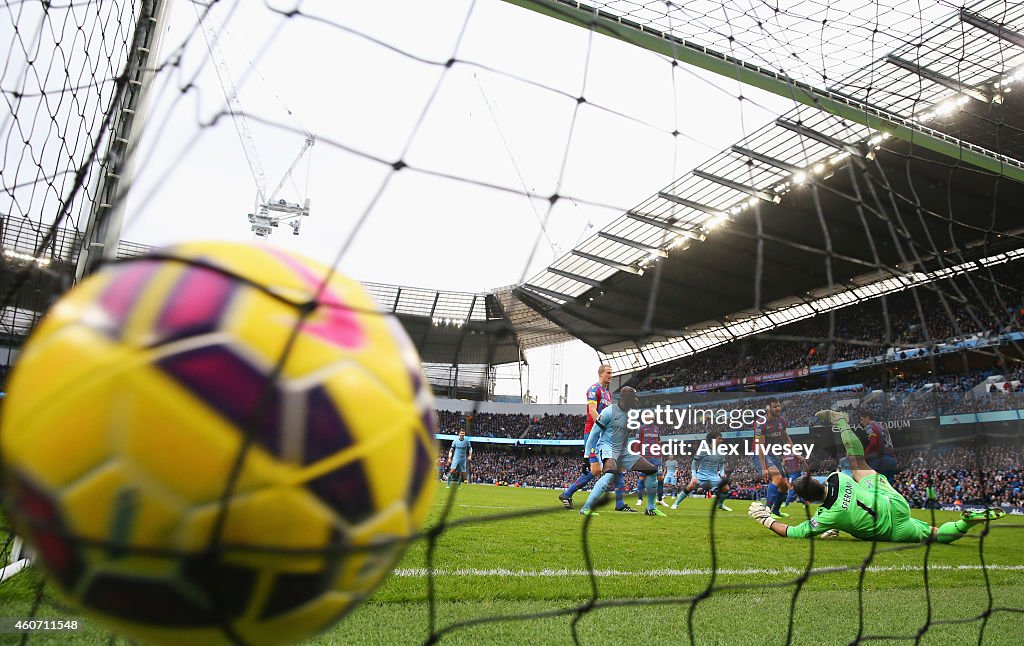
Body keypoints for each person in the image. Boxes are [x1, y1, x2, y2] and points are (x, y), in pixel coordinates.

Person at [747, 410, 1004, 542]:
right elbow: (846, 479)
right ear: (818, 481)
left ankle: (966, 523)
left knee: (935, 535)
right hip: (892, 502)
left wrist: (765, 520)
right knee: (857, 462)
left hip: (893, 528)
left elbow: (795, 532)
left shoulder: (826, 515)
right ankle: (842, 423)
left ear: (809, 502)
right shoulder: (838, 478)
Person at [580, 388, 664, 517]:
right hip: (606, 447)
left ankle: (651, 508)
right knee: (610, 474)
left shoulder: (632, 415)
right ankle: (586, 508)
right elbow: (593, 434)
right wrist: (586, 457)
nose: (637, 400)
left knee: (652, 470)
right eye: (634, 397)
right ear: (626, 398)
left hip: (622, 451)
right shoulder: (609, 412)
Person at [560, 365, 633, 512]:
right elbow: (592, 410)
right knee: (596, 469)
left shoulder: (608, 393)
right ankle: (567, 494)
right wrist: (603, 427)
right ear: (601, 374)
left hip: (605, 434)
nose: (611, 375)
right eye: (609, 373)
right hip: (594, 433)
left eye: (612, 373)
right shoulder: (594, 389)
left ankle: (619, 504)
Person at [753, 398, 807, 518]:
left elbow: (786, 439)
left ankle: (775, 511)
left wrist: (796, 454)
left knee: (784, 484)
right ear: (768, 408)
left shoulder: (782, 420)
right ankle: (766, 510)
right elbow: (760, 446)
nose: (778, 408)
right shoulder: (761, 423)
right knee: (777, 477)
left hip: (772, 454)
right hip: (760, 453)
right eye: (775, 406)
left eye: (778, 406)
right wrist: (763, 468)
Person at [671, 430, 732, 512]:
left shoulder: (721, 451)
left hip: (714, 476)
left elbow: (721, 464)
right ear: (713, 440)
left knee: (726, 488)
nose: (721, 440)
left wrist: (722, 473)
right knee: (691, 486)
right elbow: (694, 462)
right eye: (719, 439)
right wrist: (694, 476)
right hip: (701, 474)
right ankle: (675, 503)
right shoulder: (703, 450)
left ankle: (720, 504)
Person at [635, 422, 668, 508]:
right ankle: (640, 499)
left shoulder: (657, 429)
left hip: (656, 457)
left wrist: (660, 454)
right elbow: (637, 442)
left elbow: (659, 442)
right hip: (645, 456)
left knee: (660, 477)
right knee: (642, 477)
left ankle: (660, 499)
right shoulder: (641, 428)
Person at [860, 411, 898, 485]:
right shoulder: (882, 426)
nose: (861, 422)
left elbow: (873, 442)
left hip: (881, 459)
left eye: (862, 419)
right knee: (888, 488)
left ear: (867, 418)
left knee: (873, 484)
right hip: (892, 459)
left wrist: (865, 455)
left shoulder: (869, 427)